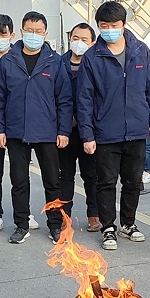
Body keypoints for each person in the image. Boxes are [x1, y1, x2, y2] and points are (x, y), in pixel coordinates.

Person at [78, 1, 150, 250]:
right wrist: (87, 134)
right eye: (104, 26)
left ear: (124, 25)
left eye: (114, 25)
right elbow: (84, 99)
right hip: (106, 133)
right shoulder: (92, 57)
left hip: (136, 130)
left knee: (133, 181)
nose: (110, 30)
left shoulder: (141, 52)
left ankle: (128, 223)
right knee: (105, 182)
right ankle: (108, 227)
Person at [0, 11, 72, 244]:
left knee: (52, 181)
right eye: (30, 31)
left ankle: (54, 225)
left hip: (47, 131)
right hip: (16, 131)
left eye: (38, 32)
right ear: (22, 31)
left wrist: (63, 131)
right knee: (19, 180)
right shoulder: (8, 60)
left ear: (45, 34)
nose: (33, 35)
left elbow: (64, 100)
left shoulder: (54, 62)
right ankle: (21, 225)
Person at [0, 15, 40, 234]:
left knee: (21, 174)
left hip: (19, 127)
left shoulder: (21, 58)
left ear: (12, 35)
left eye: (3, 34)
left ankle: (24, 212)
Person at [60, 22, 100, 232]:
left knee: (91, 175)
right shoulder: (59, 64)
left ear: (92, 42)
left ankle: (94, 215)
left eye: (85, 39)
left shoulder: (96, 64)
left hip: (90, 132)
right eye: (76, 38)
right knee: (65, 176)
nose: (79, 43)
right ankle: (65, 217)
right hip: (64, 132)